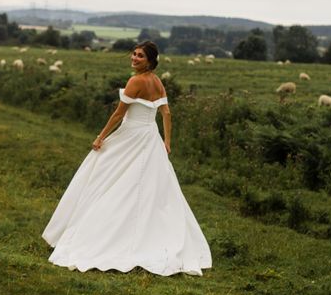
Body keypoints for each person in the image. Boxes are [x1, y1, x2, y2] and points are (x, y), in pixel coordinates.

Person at [42, 41, 212, 276]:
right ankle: (145, 235)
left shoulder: (136, 81)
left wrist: (101, 136)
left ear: (150, 61)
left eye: (140, 56)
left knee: (104, 176)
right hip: (151, 136)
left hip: (132, 135)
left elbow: (119, 113)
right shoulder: (157, 81)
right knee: (151, 188)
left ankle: (104, 235)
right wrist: (167, 142)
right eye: (134, 54)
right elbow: (166, 113)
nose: (134, 58)